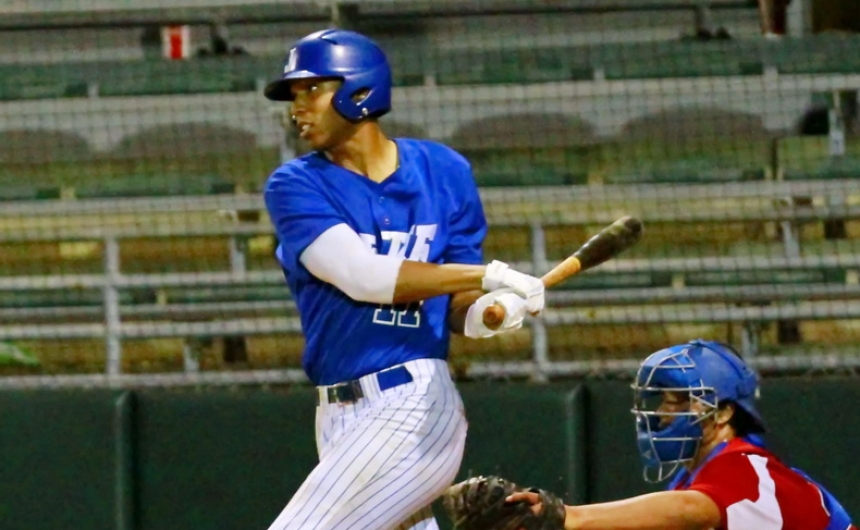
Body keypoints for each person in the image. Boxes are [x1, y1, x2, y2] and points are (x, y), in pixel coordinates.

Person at [261, 28, 545, 530]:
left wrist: (485, 313)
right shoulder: (295, 184)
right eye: (294, 94)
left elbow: (456, 304)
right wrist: (490, 277)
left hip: (411, 404)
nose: (297, 107)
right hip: (337, 414)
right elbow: (363, 276)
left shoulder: (444, 170)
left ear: (360, 90)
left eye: (312, 90)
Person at [508, 339, 857, 530]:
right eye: (663, 401)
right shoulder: (689, 479)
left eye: (680, 401)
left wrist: (570, 516)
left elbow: (694, 509)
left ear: (723, 413)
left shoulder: (744, 467)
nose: (663, 413)